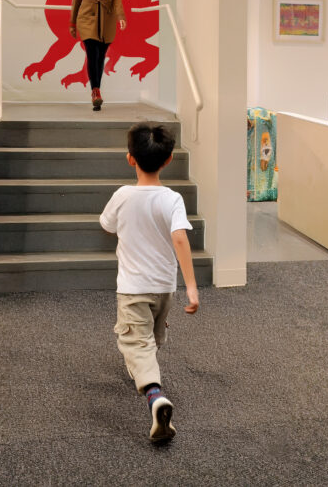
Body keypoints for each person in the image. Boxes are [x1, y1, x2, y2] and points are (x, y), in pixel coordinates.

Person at [99, 122, 200, 443]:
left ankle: (156, 398)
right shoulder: (172, 199)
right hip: (164, 288)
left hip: (133, 288)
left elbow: (107, 226)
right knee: (151, 339)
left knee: (134, 341)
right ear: (169, 160)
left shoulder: (122, 196)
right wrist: (192, 287)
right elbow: (181, 240)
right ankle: (142, 370)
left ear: (131, 159)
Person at [69, 0, 127, 111]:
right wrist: (72, 23)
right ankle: (95, 91)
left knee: (101, 56)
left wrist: (120, 15)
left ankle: (96, 88)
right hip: (86, 17)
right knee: (92, 53)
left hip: (107, 18)